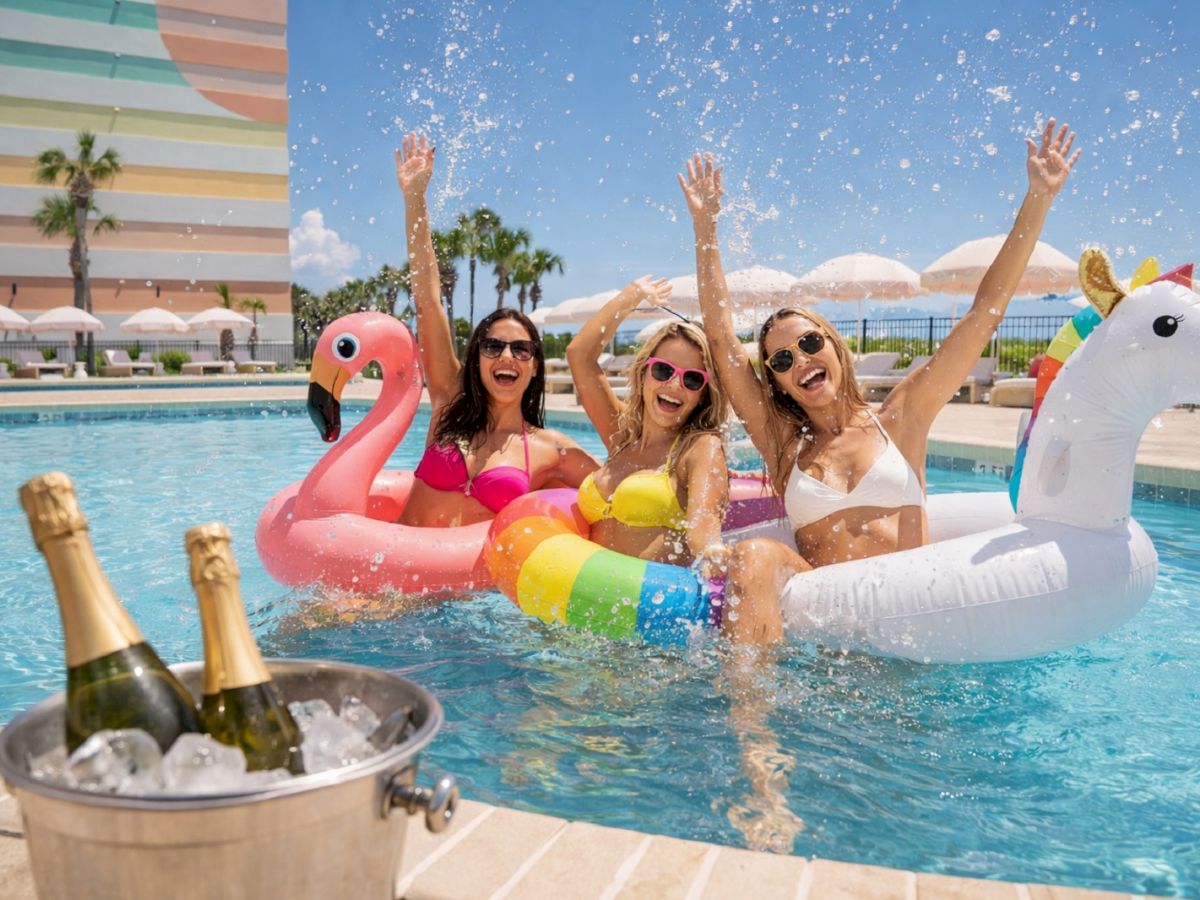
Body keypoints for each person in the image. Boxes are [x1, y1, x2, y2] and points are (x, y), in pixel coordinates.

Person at [679, 118, 1083, 643]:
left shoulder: (901, 416)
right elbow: (721, 339)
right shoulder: (783, 444)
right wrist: (706, 229)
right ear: (775, 383)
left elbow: (984, 312)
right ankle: (748, 700)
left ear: (834, 347)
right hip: (826, 629)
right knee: (753, 555)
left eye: (809, 343)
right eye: (780, 360)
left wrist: (1038, 199)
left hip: (910, 617)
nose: (800, 361)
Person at [395, 132, 598, 527]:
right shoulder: (449, 401)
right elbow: (428, 303)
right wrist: (415, 198)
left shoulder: (552, 449)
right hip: (399, 563)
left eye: (521, 349)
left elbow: (614, 496)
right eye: (493, 346)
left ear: (535, 366)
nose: (507, 356)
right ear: (477, 358)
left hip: (474, 571)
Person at [565, 277, 731, 577]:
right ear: (644, 373)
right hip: (588, 598)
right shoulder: (622, 435)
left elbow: (704, 523)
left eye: (692, 379)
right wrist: (632, 295)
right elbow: (579, 355)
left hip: (650, 603)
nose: (675, 385)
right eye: (663, 370)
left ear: (703, 394)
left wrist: (712, 552)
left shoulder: (699, 448)